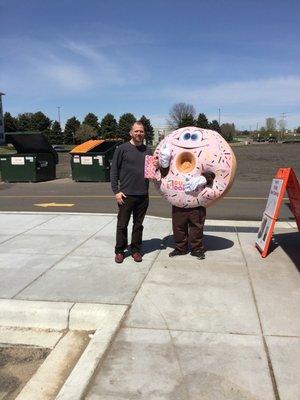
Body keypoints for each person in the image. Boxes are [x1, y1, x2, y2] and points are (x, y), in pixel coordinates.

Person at [159, 145, 215, 259]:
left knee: (197, 227)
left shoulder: (203, 154)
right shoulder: (173, 156)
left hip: (196, 201)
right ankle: (181, 248)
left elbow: (214, 172)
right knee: (178, 227)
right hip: (179, 201)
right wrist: (164, 162)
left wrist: (204, 178)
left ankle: (197, 249)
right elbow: (163, 174)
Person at [110, 121, 155, 264]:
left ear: (144, 133)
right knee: (122, 225)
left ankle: (136, 250)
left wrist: (157, 166)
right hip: (126, 195)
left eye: (141, 131)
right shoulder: (122, 149)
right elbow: (114, 171)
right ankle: (120, 251)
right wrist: (116, 191)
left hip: (143, 195)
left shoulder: (148, 151)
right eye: (136, 131)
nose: (139, 133)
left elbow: (152, 173)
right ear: (131, 133)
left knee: (138, 225)